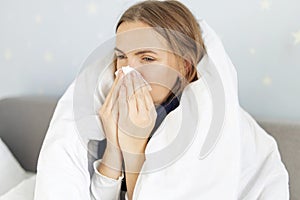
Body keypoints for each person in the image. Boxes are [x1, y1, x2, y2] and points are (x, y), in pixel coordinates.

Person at [34, 1, 290, 200]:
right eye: (122, 57)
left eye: (147, 58)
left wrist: (135, 145)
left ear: (186, 69)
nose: (127, 71)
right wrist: (114, 146)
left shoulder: (203, 126)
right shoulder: (114, 109)